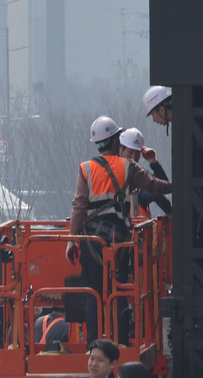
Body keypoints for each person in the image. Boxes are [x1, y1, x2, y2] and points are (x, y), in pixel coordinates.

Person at [66, 116, 172, 342]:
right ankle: (121, 341)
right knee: (121, 289)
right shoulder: (128, 166)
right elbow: (156, 186)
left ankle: (93, 344)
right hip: (120, 241)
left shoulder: (85, 168)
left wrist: (70, 241)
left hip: (91, 241)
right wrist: (179, 183)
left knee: (94, 292)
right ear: (116, 142)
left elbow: (79, 206)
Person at [118, 129, 172, 222]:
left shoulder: (140, 176)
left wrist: (153, 162)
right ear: (120, 149)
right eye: (130, 152)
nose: (134, 158)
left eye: (137, 154)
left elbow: (161, 188)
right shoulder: (139, 178)